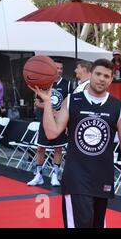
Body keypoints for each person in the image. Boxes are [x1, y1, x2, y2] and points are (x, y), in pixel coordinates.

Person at [30, 59, 121, 228]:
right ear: (91, 74)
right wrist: (48, 103)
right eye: (98, 74)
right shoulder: (72, 100)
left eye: (106, 76)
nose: (102, 79)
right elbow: (52, 132)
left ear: (111, 80)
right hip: (76, 178)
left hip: (103, 178)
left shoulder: (118, 106)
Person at [28, 59, 71, 187]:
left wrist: (62, 115)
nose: (59, 70)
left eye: (61, 68)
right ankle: (38, 175)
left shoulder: (67, 85)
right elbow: (37, 102)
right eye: (56, 68)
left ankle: (54, 176)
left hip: (60, 122)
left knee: (58, 149)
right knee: (40, 148)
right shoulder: (44, 82)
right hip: (45, 120)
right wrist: (48, 108)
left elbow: (69, 103)